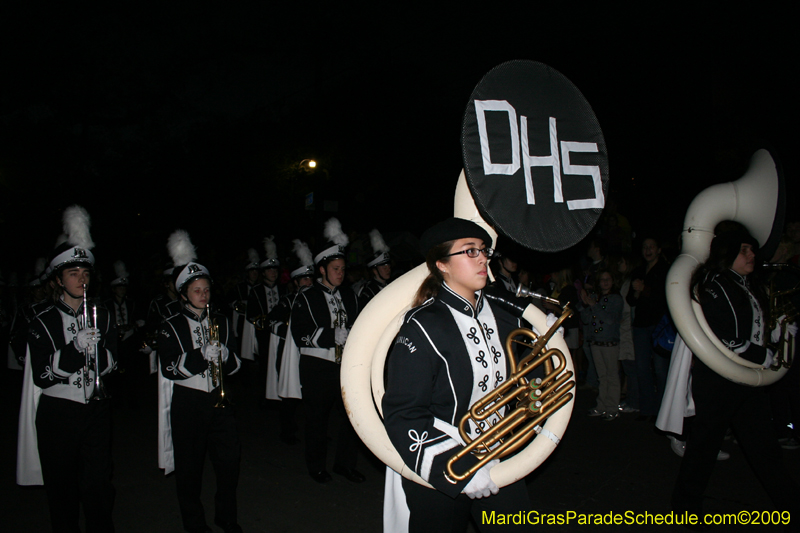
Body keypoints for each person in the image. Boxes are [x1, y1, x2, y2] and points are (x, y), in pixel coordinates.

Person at [382, 218, 534, 533]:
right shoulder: (423, 326)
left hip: (501, 454)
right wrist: (458, 468)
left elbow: (526, 375)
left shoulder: (505, 316)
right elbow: (404, 413)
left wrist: (531, 401)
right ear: (442, 265)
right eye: (469, 252)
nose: (482, 258)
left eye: (483, 251)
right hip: (443, 459)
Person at [671, 224, 800, 530]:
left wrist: (778, 333)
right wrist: (760, 354)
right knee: (703, 447)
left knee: (764, 450)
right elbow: (723, 332)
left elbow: (754, 329)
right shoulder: (715, 283)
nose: (752, 254)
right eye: (744, 250)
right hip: (718, 381)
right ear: (728, 253)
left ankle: (790, 504)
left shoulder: (744, 283)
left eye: (752, 249)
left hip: (744, 379)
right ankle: (684, 508)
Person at [18, 205, 118, 533]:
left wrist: (100, 351)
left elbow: (114, 362)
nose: (81, 279)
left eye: (85, 273)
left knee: (99, 486)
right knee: (62, 491)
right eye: (73, 273)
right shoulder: (42, 319)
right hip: (58, 413)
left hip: (96, 409)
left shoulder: (102, 314)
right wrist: (75, 349)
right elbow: (43, 375)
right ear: (59, 279)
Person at [158, 230, 243, 533]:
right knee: (190, 470)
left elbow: (235, 367)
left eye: (206, 289)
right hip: (189, 404)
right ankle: (194, 523)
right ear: (183, 294)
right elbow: (169, 367)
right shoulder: (171, 325)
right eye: (196, 290)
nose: (204, 295)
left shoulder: (221, 320)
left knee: (229, 464)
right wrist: (200, 355)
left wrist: (225, 355)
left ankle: (227, 517)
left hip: (220, 401)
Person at [290, 218, 363, 483]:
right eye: (335, 269)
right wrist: (331, 335)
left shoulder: (351, 295)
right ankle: (317, 466)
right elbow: (299, 334)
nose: (340, 273)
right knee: (317, 419)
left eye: (343, 269)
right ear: (322, 269)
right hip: (317, 367)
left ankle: (345, 463)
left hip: (345, 366)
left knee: (352, 417)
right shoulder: (306, 296)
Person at [265, 239, 315, 445]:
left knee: (311, 393)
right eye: (303, 280)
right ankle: (287, 431)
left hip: (310, 353)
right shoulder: (287, 301)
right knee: (290, 395)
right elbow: (272, 322)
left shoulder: (315, 300)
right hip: (288, 352)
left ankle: (314, 429)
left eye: (310, 279)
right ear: (296, 282)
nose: (307, 283)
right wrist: (292, 331)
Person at [626, 237, 669, 421]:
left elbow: (664, 297)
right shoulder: (638, 270)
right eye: (645, 247)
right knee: (642, 368)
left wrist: (645, 289)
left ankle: (664, 411)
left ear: (659, 249)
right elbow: (631, 300)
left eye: (651, 246)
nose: (648, 250)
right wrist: (637, 291)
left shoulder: (666, 270)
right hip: (641, 325)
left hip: (659, 325)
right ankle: (647, 410)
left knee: (660, 369)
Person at [581, 270, 623, 420]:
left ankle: (612, 408)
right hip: (596, 342)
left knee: (612, 376)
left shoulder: (616, 299)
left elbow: (610, 319)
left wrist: (594, 305)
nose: (605, 282)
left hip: (610, 343)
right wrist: (586, 303)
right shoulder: (596, 298)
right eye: (602, 279)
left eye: (608, 279)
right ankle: (602, 406)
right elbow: (585, 319)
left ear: (613, 281)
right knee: (602, 377)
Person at [358, 228, 392, 305]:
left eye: (388, 266)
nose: (388, 270)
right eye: (384, 267)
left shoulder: (391, 285)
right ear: (375, 271)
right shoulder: (368, 291)